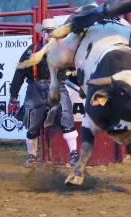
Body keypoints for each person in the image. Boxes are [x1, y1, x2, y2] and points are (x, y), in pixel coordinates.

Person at [8, 19, 78, 168]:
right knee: (33, 124)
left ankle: (74, 155)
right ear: (42, 33)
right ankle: (32, 156)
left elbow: (76, 67)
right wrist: (13, 96)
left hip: (58, 86)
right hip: (36, 88)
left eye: (52, 31)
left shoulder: (64, 49)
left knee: (66, 116)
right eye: (47, 31)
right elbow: (19, 73)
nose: (49, 34)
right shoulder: (31, 51)